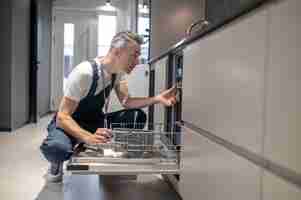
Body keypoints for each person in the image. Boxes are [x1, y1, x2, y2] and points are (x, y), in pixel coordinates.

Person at [40, 31, 177, 182]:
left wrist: (157, 98)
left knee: (136, 115)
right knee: (57, 149)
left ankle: (117, 156)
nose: (137, 61)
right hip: (69, 123)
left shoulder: (117, 74)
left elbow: (127, 102)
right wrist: (88, 137)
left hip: (94, 122)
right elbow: (62, 117)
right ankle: (56, 163)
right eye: (134, 55)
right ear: (117, 52)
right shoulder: (85, 72)